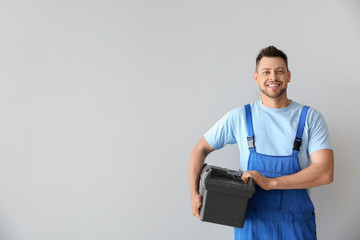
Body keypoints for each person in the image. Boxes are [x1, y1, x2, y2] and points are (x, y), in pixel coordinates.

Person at [188, 45, 334, 240]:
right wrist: (194, 192)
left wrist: (271, 182)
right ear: (256, 77)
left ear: (289, 76)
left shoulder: (310, 118)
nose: (273, 77)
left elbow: (325, 172)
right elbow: (199, 150)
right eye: (266, 72)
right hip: (251, 226)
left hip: (296, 226)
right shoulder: (240, 117)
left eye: (279, 71)